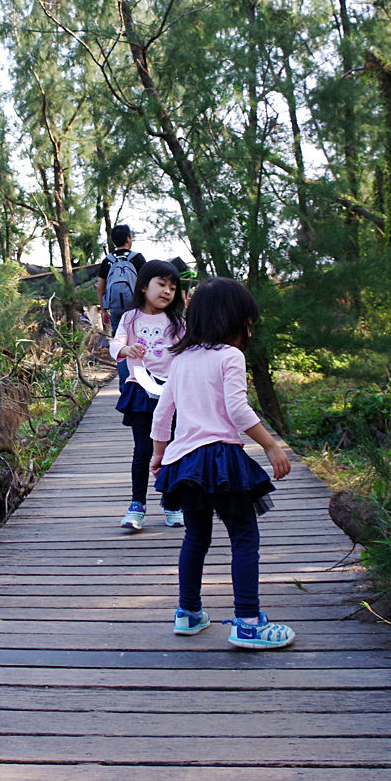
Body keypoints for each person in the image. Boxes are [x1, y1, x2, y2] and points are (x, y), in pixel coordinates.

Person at [149, 277, 297, 650]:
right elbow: (237, 408)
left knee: (195, 537)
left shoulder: (180, 359)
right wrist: (271, 446)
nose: (248, 330)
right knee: (244, 536)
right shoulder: (230, 356)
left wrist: (158, 453)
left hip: (184, 463)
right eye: (247, 322)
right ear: (232, 320)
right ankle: (248, 622)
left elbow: (162, 412)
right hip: (220, 458)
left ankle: (189, 612)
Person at [107, 260, 186, 531]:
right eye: (161, 284)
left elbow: (190, 349)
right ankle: (137, 505)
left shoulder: (177, 321)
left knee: (173, 448)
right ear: (143, 286)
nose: (166, 291)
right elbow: (115, 342)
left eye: (172, 288)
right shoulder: (130, 318)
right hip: (140, 388)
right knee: (142, 450)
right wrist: (125, 350)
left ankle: (173, 502)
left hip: (171, 392)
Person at [95, 224, 146, 390]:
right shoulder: (137, 258)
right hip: (137, 308)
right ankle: (143, 383)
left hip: (116, 310)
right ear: (128, 239)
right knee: (141, 342)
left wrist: (104, 310)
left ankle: (126, 387)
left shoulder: (107, 261)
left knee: (120, 345)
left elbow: (101, 288)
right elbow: (148, 283)